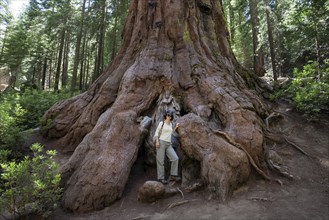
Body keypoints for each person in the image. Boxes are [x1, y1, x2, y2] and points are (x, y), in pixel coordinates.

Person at [153, 110, 181, 184]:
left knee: (175, 158)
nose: (169, 117)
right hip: (161, 142)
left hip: (168, 144)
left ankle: (173, 175)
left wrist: (176, 127)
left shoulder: (171, 124)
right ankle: (161, 178)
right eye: (168, 115)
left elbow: (170, 132)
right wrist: (157, 141)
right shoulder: (162, 123)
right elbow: (156, 132)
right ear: (166, 115)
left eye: (170, 115)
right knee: (160, 161)